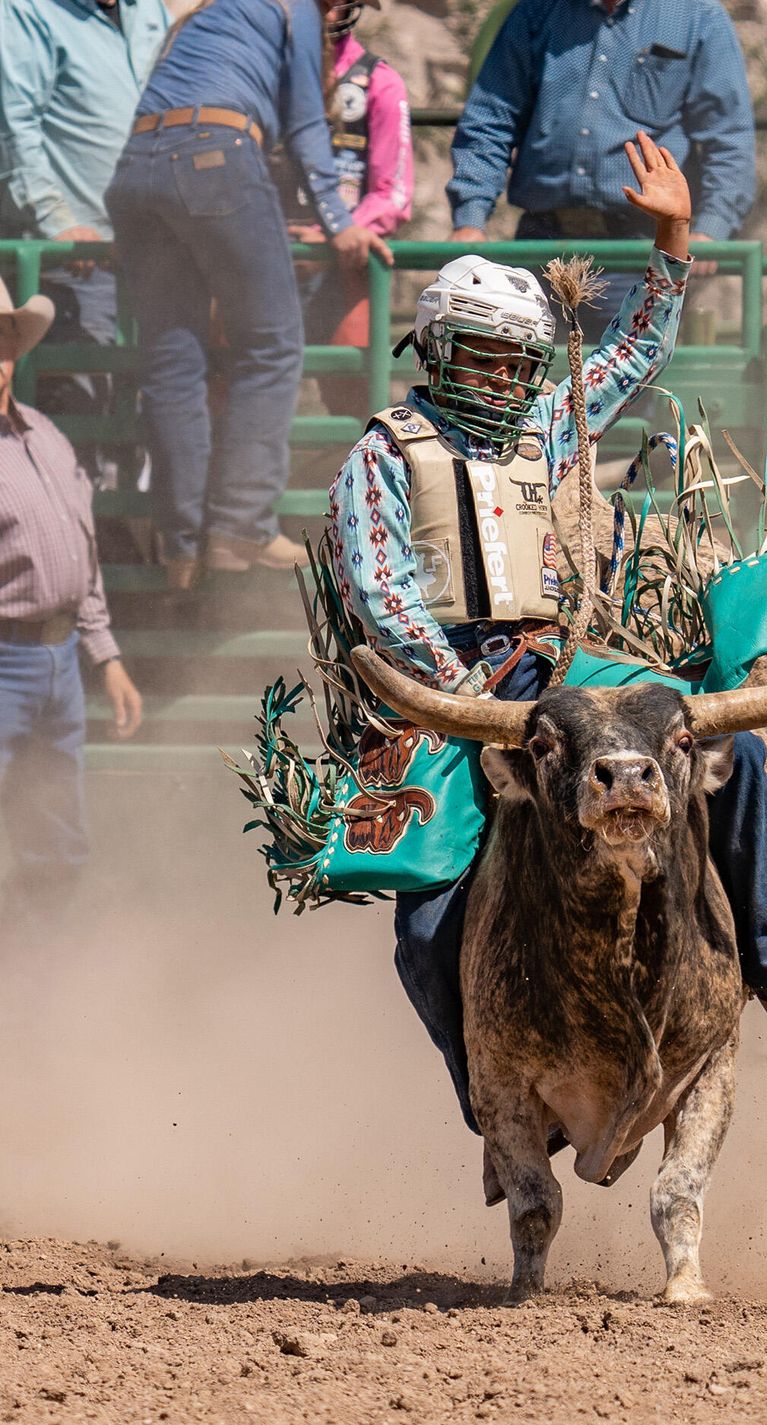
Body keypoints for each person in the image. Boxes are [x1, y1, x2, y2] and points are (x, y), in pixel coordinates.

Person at [329, 132, 767, 1134]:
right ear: (436, 351)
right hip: (452, 688)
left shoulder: (554, 421)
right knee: (426, 921)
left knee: (717, 749)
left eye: (516, 358)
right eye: (480, 354)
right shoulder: (386, 452)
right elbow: (378, 591)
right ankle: (495, 1086)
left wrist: (676, 237)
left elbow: (638, 347)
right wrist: (457, 693)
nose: (501, 374)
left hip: (571, 662)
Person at [106, 0, 394, 592]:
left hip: (135, 171)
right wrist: (339, 221)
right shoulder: (293, 7)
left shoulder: (208, 17)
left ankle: (179, 544)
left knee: (170, 359)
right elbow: (309, 127)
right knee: (271, 343)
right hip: (215, 157)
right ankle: (240, 528)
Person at [447, 0, 757, 338]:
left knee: (632, 380)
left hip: (643, 249)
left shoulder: (697, 16)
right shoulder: (536, 12)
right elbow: (490, 120)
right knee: (531, 380)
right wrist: (470, 220)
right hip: (542, 245)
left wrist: (710, 229)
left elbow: (729, 138)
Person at [0, 276, 143, 928]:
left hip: (55, 660)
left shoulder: (46, 436)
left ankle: (38, 983)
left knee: (58, 838)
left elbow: (81, 555)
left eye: (4, 342)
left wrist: (104, 656)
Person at [0, 0, 170, 486]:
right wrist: (59, 222)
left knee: (144, 412)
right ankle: (89, 539)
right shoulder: (26, 10)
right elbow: (15, 127)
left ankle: (118, 537)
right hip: (73, 261)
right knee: (77, 413)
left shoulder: (149, 11)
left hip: (149, 253)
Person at [281, 0, 414, 416]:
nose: (327, 11)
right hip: (268, 253)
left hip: (345, 267)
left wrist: (335, 236)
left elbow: (392, 192)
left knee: (357, 395)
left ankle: (358, 475)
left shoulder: (380, 82)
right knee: (231, 386)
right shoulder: (260, 71)